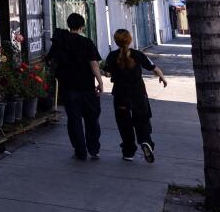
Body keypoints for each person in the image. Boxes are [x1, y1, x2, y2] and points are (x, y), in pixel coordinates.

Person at [44, 13, 103, 160]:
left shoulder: (60, 42)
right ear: (82, 26)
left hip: (68, 88)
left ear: (69, 25)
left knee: (74, 120)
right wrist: (100, 82)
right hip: (87, 87)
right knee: (91, 119)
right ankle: (94, 149)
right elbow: (94, 63)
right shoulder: (87, 42)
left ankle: (80, 151)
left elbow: (50, 61)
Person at [104, 29, 167, 162]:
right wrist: (162, 77)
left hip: (121, 95)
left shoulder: (112, 56)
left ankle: (128, 151)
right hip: (138, 94)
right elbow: (154, 68)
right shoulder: (138, 55)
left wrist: (111, 73)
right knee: (142, 120)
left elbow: (107, 72)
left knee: (124, 124)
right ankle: (145, 142)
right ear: (130, 40)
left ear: (116, 41)